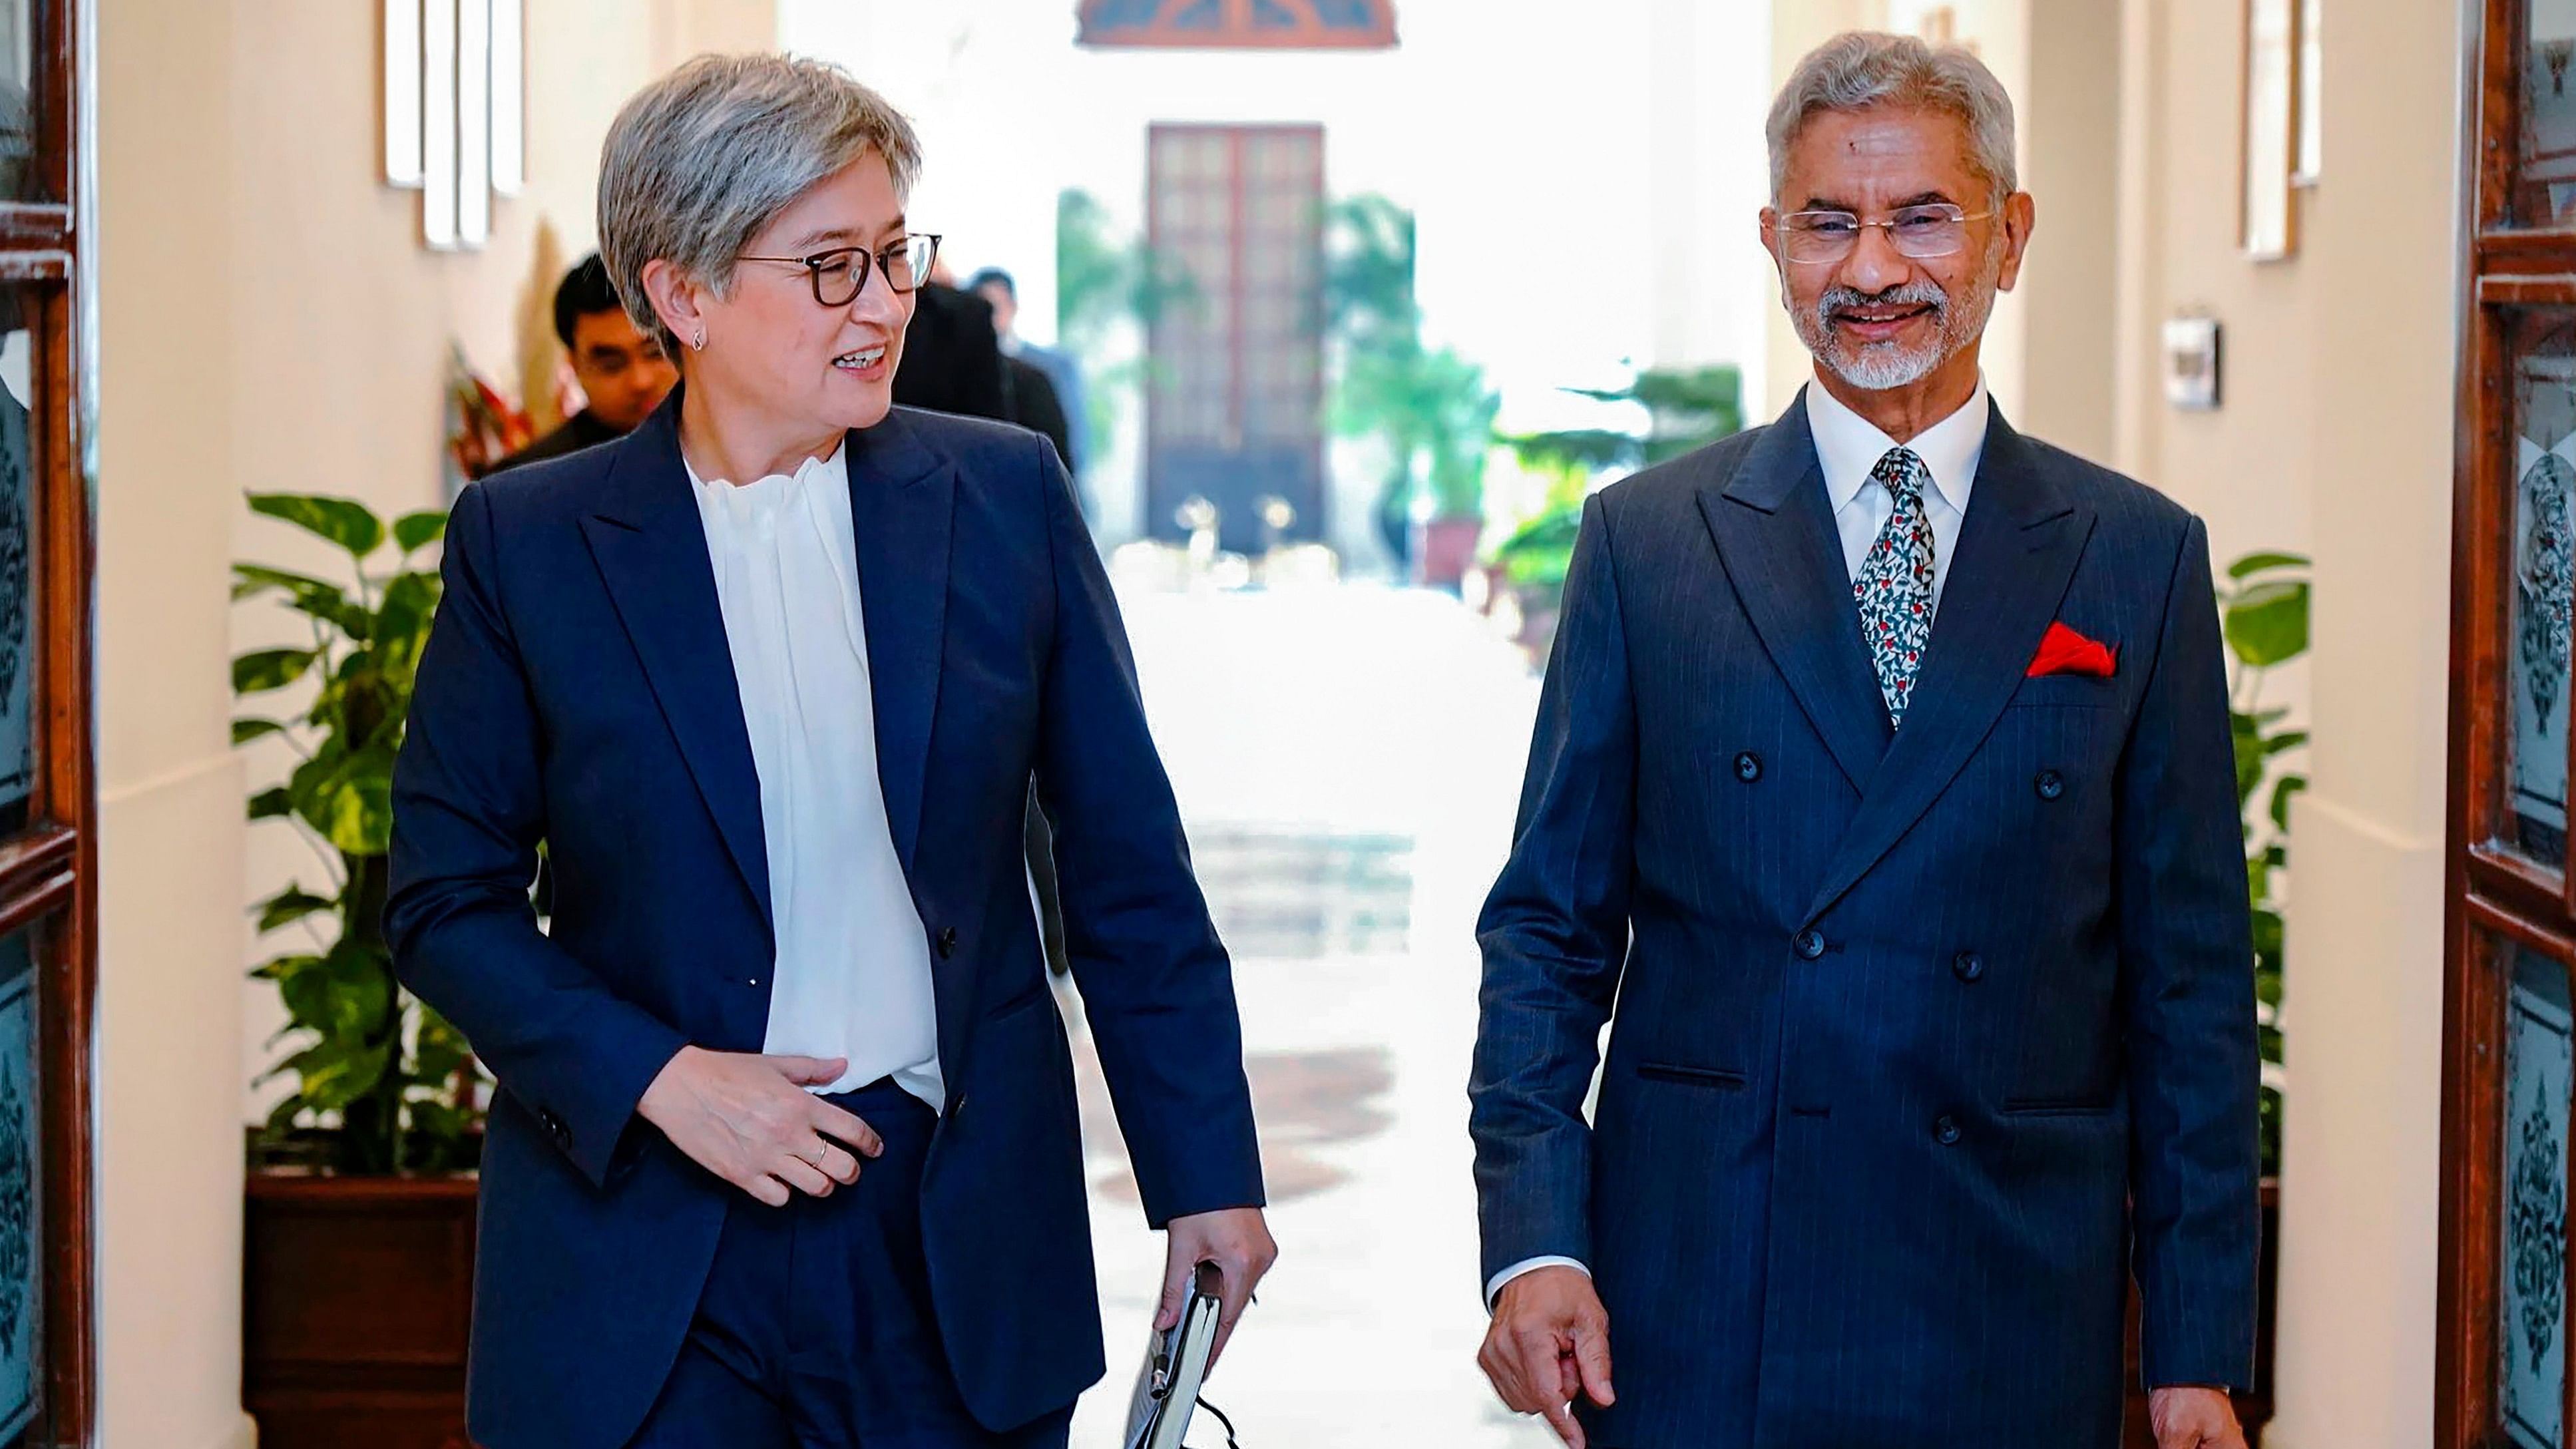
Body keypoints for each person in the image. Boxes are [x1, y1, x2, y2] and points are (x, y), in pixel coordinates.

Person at [386, 53, 1275, 1449]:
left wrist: (1205, 1172)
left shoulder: (1001, 500)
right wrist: (665, 1075)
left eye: (891, 254)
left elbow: (1127, 873)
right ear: (682, 293)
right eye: (830, 268)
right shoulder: (529, 541)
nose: (885, 305)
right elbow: (443, 898)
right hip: (648, 1239)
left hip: (950, 1236)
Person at [1468, 32, 2258, 1449]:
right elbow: (1547, 930)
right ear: (1775, 243)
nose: (1874, 268)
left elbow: (2188, 984)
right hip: (1712, 1275)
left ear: (2010, 237)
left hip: (2008, 1282)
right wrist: (1535, 1239)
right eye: (1830, 221)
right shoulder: (1650, 543)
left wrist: (2195, 1340)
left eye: (1923, 217)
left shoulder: (2134, 557)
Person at [481, 252, 678, 475]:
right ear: (574, 366)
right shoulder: (523, 482)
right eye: (611, 364)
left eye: (656, 352)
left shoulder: (722, 457)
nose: (641, 381)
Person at [966, 266, 1089, 479]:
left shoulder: (1052, 366)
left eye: (995, 307)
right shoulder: (966, 370)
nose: (990, 318)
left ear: (1013, 306)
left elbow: (1076, 440)